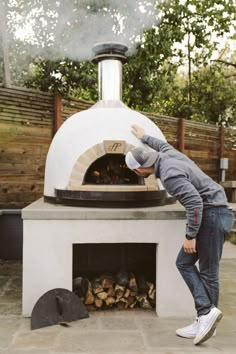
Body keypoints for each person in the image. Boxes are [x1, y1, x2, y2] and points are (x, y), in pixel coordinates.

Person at [125, 124, 234, 346]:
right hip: (214, 213)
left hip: (213, 215)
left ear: (140, 170)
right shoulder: (166, 155)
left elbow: (194, 202)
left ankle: (206, 316)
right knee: (184, 263)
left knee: (208, 272)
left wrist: (190, 235)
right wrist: (144, 137)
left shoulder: (168, 175)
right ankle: (204, 317)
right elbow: (161, 144)